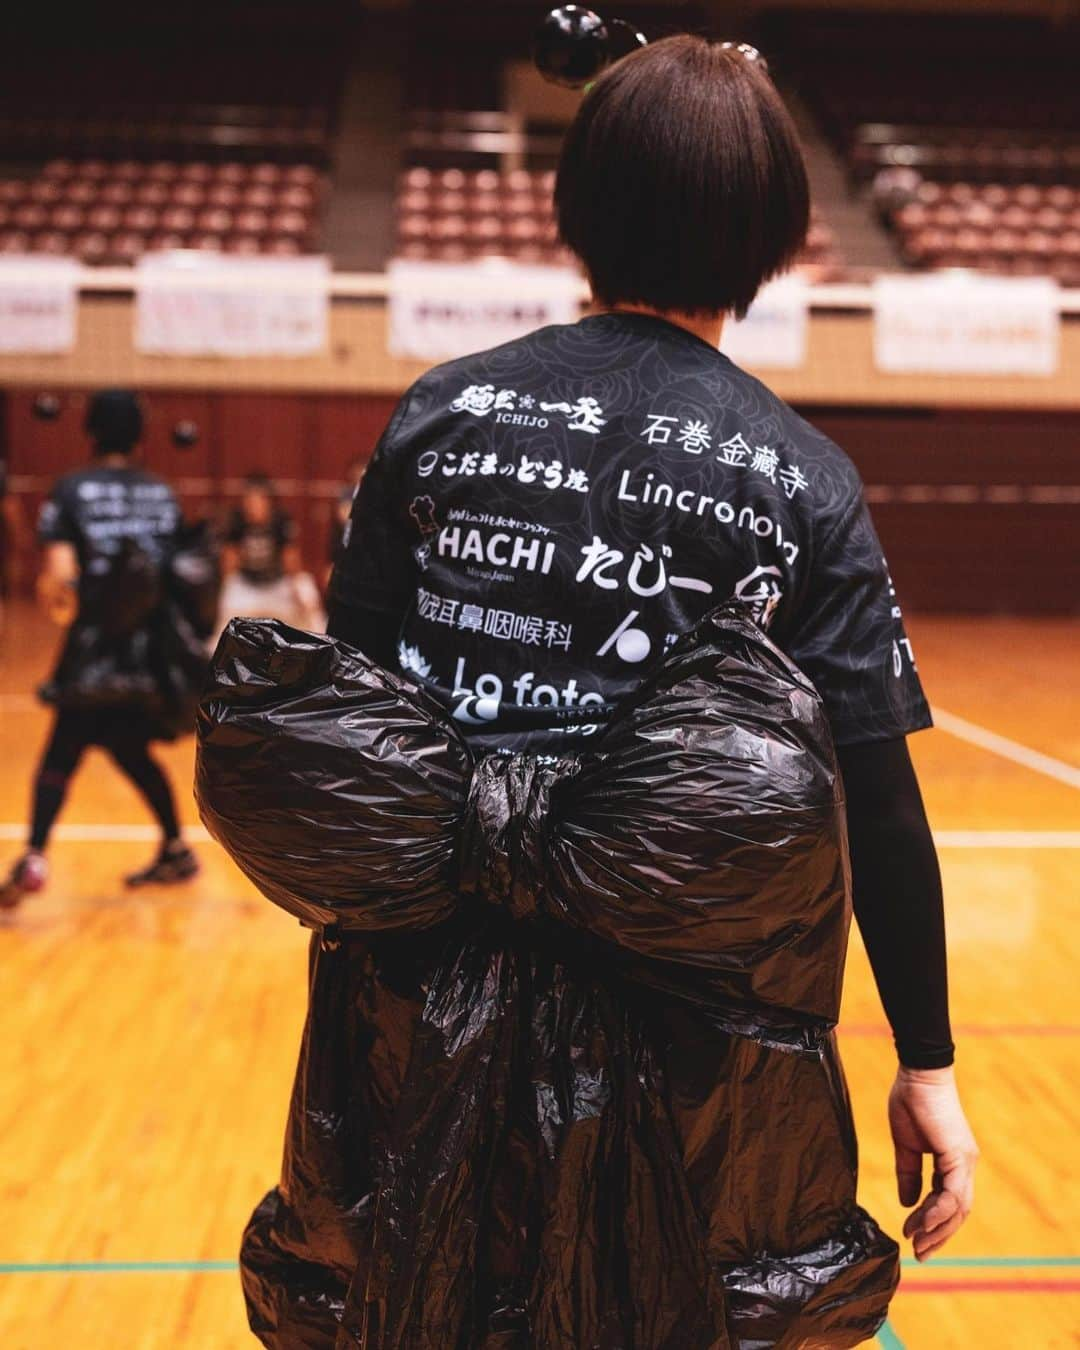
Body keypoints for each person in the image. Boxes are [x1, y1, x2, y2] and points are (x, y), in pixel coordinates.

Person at [240, 37, 978, 1346]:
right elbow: (877, 796)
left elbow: (348, 734)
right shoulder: (800, 478)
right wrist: (926, 1062)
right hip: (697, 1063)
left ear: (576, 208)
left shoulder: (439, 417)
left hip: (415, 1029)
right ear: (775, 232)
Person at [1, 389, 200, 909]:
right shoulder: (162, 493)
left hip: (94, 647)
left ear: (90, 430)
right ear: (139, 434)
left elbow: (61, 581)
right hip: (149, 650)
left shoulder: (71, 489)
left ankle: (36, 856)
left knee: (64, 748)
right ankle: (177, 847)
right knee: (126, 745)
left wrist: (63, 607)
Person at [216, 472, 325, 638]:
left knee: (306, 587)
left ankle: (320, 641)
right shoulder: (237, 521)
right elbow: (229, 561)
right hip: (248, 585)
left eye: (258, 501)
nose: (252, 507)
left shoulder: (280, 521)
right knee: (229, 590)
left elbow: (291, 559)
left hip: (277, 584)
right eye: (249, 501)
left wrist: (298, 592)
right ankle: (217, 647)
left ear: (268, 502)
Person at [324, 454, 366, 589]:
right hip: (345, 555)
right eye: (357, 474)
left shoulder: (381, 496)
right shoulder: (346, 494)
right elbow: (346, 519)